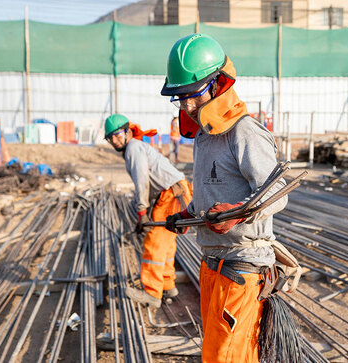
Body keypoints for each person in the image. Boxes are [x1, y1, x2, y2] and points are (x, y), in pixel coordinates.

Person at [160, 34, 287, 363]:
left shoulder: (244, 132)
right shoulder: (204, 136)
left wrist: (240, 212)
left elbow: (277, 193)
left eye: (191, 95)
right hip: (211, 263)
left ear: (217, 84)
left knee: (226, 356)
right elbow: (210, 192)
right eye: (180, 98)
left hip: (242, 265)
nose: (186, 105)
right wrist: (186, 215)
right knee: (217, 353)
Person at [103, 113, 192, 308]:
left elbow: (142, 181)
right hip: (175, 191)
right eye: (111, 138)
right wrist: (144, 212)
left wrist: (142, 212)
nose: (115, 140)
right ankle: (168, 286)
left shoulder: (133, 148)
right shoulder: (135, 148)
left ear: (127, 131)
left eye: (118, 134)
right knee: (167, 244)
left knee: (155, 242)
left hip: (172, 193)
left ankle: (152, 293)